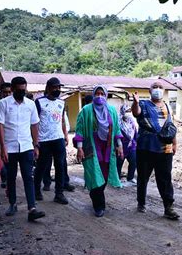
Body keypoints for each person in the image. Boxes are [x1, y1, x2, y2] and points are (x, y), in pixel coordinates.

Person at [0, 76, 45, 222]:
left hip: (26, 146)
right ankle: (12, 204)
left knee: (28, 177)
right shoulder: (3, 104)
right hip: (9, 147)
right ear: (13, 89)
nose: (22, 92)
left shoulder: (30, 105)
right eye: (19, 90)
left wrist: (36, 145)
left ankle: (32, 208)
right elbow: (0, 125)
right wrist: (3, 147)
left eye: (24, 90)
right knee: (10, 177)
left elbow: (34, 125)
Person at [132, 81, 180, 220]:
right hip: (145, 148)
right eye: (155, 87)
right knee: (143, 178)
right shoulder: (143, 104)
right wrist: (135, 103)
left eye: (160, 87)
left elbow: (171, 126)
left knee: (165, 179)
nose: (157, 89)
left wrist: (175, 143)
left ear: (164, 91)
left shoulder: (168, 107)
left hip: (165, 149)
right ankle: (141, 203)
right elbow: (136, 113)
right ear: (149, 91)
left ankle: (168, 207)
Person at [74, 85, 124, 217]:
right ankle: (99, 206)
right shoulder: (85, 110)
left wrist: (119, 145)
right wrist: (79, 148)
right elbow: (79, 130)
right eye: (97, 93)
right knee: (94, 176)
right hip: (91, 148)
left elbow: (117, 129)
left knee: (104, 176)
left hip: (107, 148)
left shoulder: (112, 110)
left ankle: (97, 199)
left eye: (102, 94)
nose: (99, 96)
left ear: (106, 96)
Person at [33, 77, 70, 205]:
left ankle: (59, 194)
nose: (57, 90)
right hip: (44, 140)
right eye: (54, 87)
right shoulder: (39, 102)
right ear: (48, 88)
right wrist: (35, 142)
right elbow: (34, 123)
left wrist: (65, 135)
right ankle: (36, 190)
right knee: (41, 166)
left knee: (60, 167)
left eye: (59, 87)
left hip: (58, 138)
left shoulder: (62, 103)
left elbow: (62, 120)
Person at [116, 104, 138, 185]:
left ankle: (130, 177)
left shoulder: (132, 122)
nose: (128, 113)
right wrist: (117, 146)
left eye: (130, 111)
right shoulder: (118, 122)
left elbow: (135, 133)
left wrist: (136, 143)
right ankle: (117, 178)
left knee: (134, 161)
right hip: (121, 146)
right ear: (122, 111)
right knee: (119, 163)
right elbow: (115, 135)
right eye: (127, 111)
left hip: (131, 146)